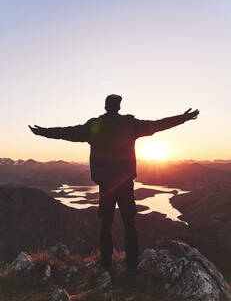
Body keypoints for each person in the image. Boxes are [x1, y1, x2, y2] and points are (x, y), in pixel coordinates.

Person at [29, 94, 199, 273]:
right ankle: (132, 267)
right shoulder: (130, 124)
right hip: (125, 183)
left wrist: (43, 131)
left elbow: (67, 132)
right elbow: (158, 125)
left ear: (105, 106)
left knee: (105, 225)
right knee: (129, 224)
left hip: (106, 185)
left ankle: (106, 265)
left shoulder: (95, 126)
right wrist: (184, 118)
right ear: (119, 107)